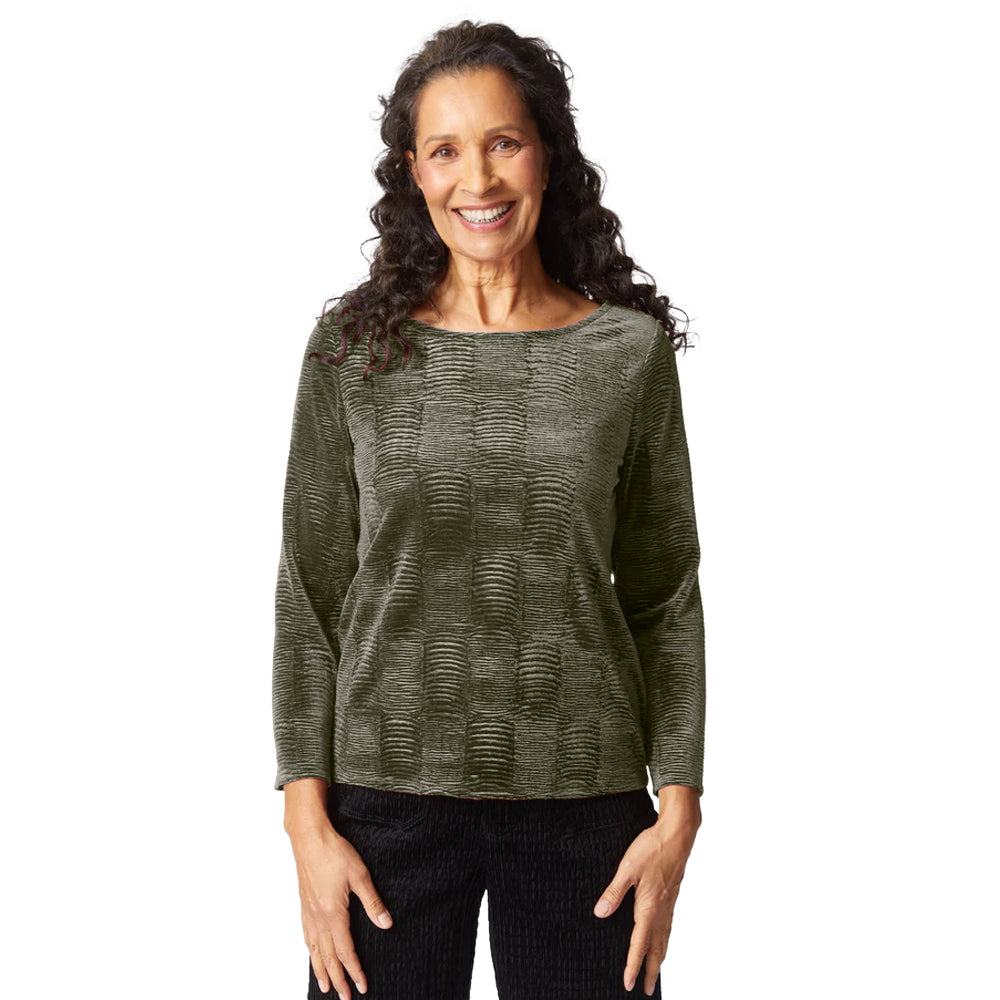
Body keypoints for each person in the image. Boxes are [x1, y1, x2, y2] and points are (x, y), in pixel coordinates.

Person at [272, 19, 705, 1000]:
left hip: (587, 806)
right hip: (381, 809)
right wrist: (305, 822)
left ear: (547, 154)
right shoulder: (350, 351)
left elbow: (664, 592)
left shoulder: (625, 353)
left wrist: (679, 809)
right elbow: (309, 593)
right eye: (445, 150)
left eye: (504, 142)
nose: (478, 179)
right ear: (413, 174)